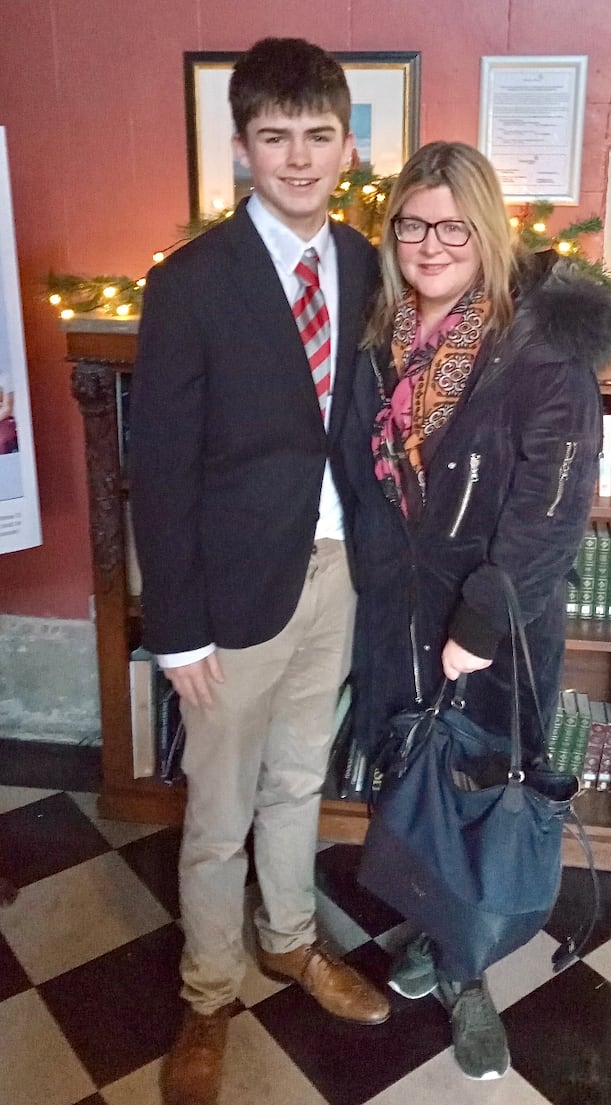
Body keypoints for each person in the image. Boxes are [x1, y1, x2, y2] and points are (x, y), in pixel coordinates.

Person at [130, 37, 388, 1105]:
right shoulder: (191, 281)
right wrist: (178, 629)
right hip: (233, 593)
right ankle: (206, 995)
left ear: (345, 146)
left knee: (297, 780)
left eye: (316, 136)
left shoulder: (366, 261)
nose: (296, 157)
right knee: (219, 804)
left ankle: (286, 939)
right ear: (241, 148)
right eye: (273, 137)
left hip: (335, 574)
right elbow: (159, 467)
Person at [342, 141, 611, 1081]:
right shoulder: (380, 334)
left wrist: (482, 621)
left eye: (453, 224)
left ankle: (470, 976)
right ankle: (432, 926)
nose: (431, 243)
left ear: (488, 229)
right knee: (411, 774)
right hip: (393, 603)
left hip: (488, 621)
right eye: (413, 223)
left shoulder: (537, 349)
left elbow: (552, 503)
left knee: (480, 790)